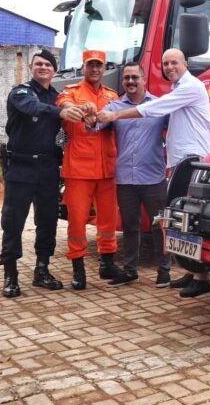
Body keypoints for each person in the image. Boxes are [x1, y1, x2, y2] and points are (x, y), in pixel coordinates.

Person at [97, 48, 210, 297]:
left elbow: (153, 109)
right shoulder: (178, 89)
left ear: (186, 63)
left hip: (192, 160)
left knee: (190, 220)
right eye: (166, 63)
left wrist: (116, 114)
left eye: (174, 62)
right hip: (180, 162)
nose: (170, 67)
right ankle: (193, 272)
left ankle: (202, 278)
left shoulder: (189, 87)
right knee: (182, 220)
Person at [0, 49, 84, 298]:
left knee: (47, 222)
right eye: (39, 64)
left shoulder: (58, 97)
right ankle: (10, 276)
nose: (44, 67)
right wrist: (60, 112)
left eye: (48, 64)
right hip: (21, 167)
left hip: (48, 169)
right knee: (13, 223)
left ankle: (42, 270)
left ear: (55, 71)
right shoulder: (21, 92)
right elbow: (32, 108)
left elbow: (66, 130)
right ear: (31, 67)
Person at [88, 62, 171, 288]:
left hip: (154, 177)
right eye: (127, 78)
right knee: (130, 227)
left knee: (159, 225)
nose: (131, 82)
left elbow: (178, 127)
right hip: (125, 178)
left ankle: (165, 270)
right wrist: (89, 117)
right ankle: (130, 270)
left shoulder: (159, 106)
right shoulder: (113, 107)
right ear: (123, 82)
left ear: (145, 80)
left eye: (135, 77)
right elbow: (95, 127)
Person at [57, 50, 122, 290]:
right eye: (90, 65)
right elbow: (62, 103)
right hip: (79, 170)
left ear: (104, 69)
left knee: (108, 220)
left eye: (99, 66)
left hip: (107, 168)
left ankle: (107, 263)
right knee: (77, 221)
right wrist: (75, 109)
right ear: (84, 67)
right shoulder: (71, 92)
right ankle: (78, 269)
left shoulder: (112, 95)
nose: (95, 69)